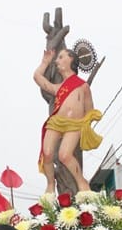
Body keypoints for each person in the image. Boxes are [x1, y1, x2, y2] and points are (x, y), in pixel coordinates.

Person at [34, 48, 103, 193]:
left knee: (64, 155)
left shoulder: (83, 86)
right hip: (56, 122)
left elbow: (90, 110)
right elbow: (37, 77)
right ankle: (50, 183)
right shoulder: (58, 88)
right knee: (47, 153)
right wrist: (44, 62)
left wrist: (86, 125)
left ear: (71, 59)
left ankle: (81, 182)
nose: (57, 61)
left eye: (60, 57)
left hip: (75, 125)